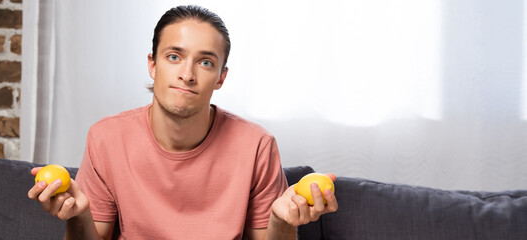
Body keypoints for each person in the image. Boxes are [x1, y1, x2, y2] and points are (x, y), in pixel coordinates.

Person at [28, 5, 337, 239]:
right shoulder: (106, 138)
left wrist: (281, 222)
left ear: (221, 78)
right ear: (153, 65)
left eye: (205, 62)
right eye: (174, 56)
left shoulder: (257, 146)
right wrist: (78, 216)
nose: (187, 75)